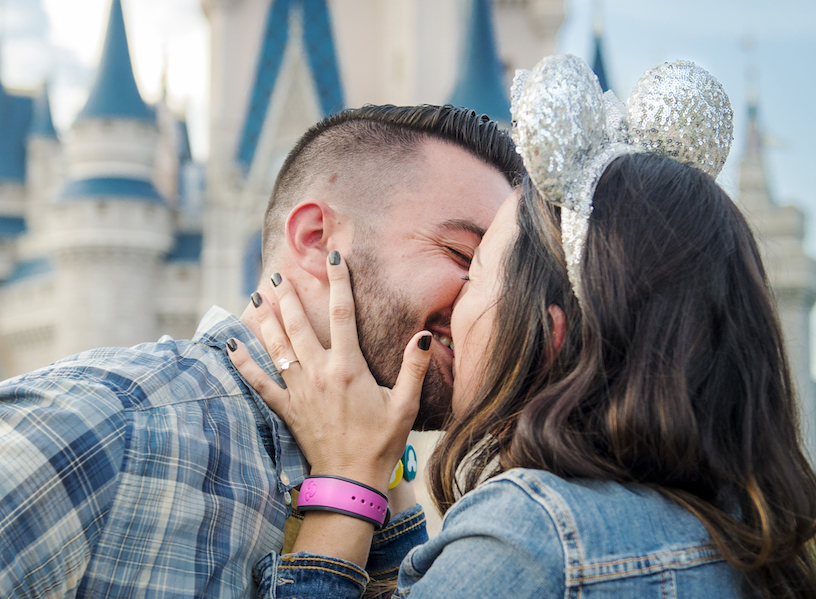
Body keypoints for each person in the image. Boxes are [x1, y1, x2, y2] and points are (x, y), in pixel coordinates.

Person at [230, 56, 816, 598]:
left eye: (476, 269)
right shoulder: (741, 532)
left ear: (551, 333)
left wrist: (342, 482)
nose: (455, 306)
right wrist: (384, 472)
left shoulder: (532, 540)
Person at [0, 104, 523, 597]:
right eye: (463, 254)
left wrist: (381, 474)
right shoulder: (104, 429)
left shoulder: (388, 476)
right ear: (317, 239)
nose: (496, 305)